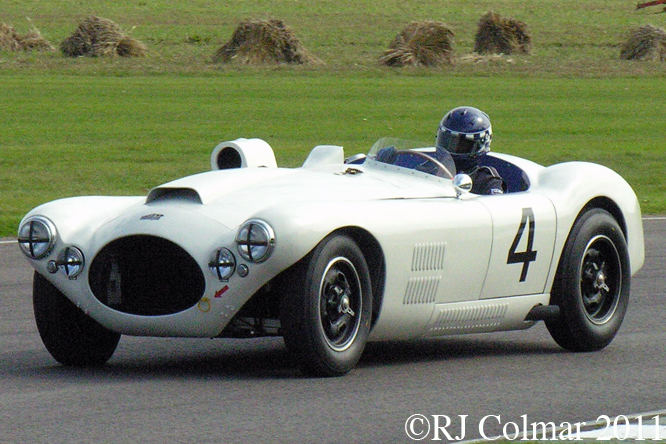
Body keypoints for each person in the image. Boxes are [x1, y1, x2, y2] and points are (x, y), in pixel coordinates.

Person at [436, 106, 507, 195]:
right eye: (446, 141)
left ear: (479, 146)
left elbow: (495, 205)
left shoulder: (487, 180)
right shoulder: (429, 168)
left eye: (461, 145)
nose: (450, 148)